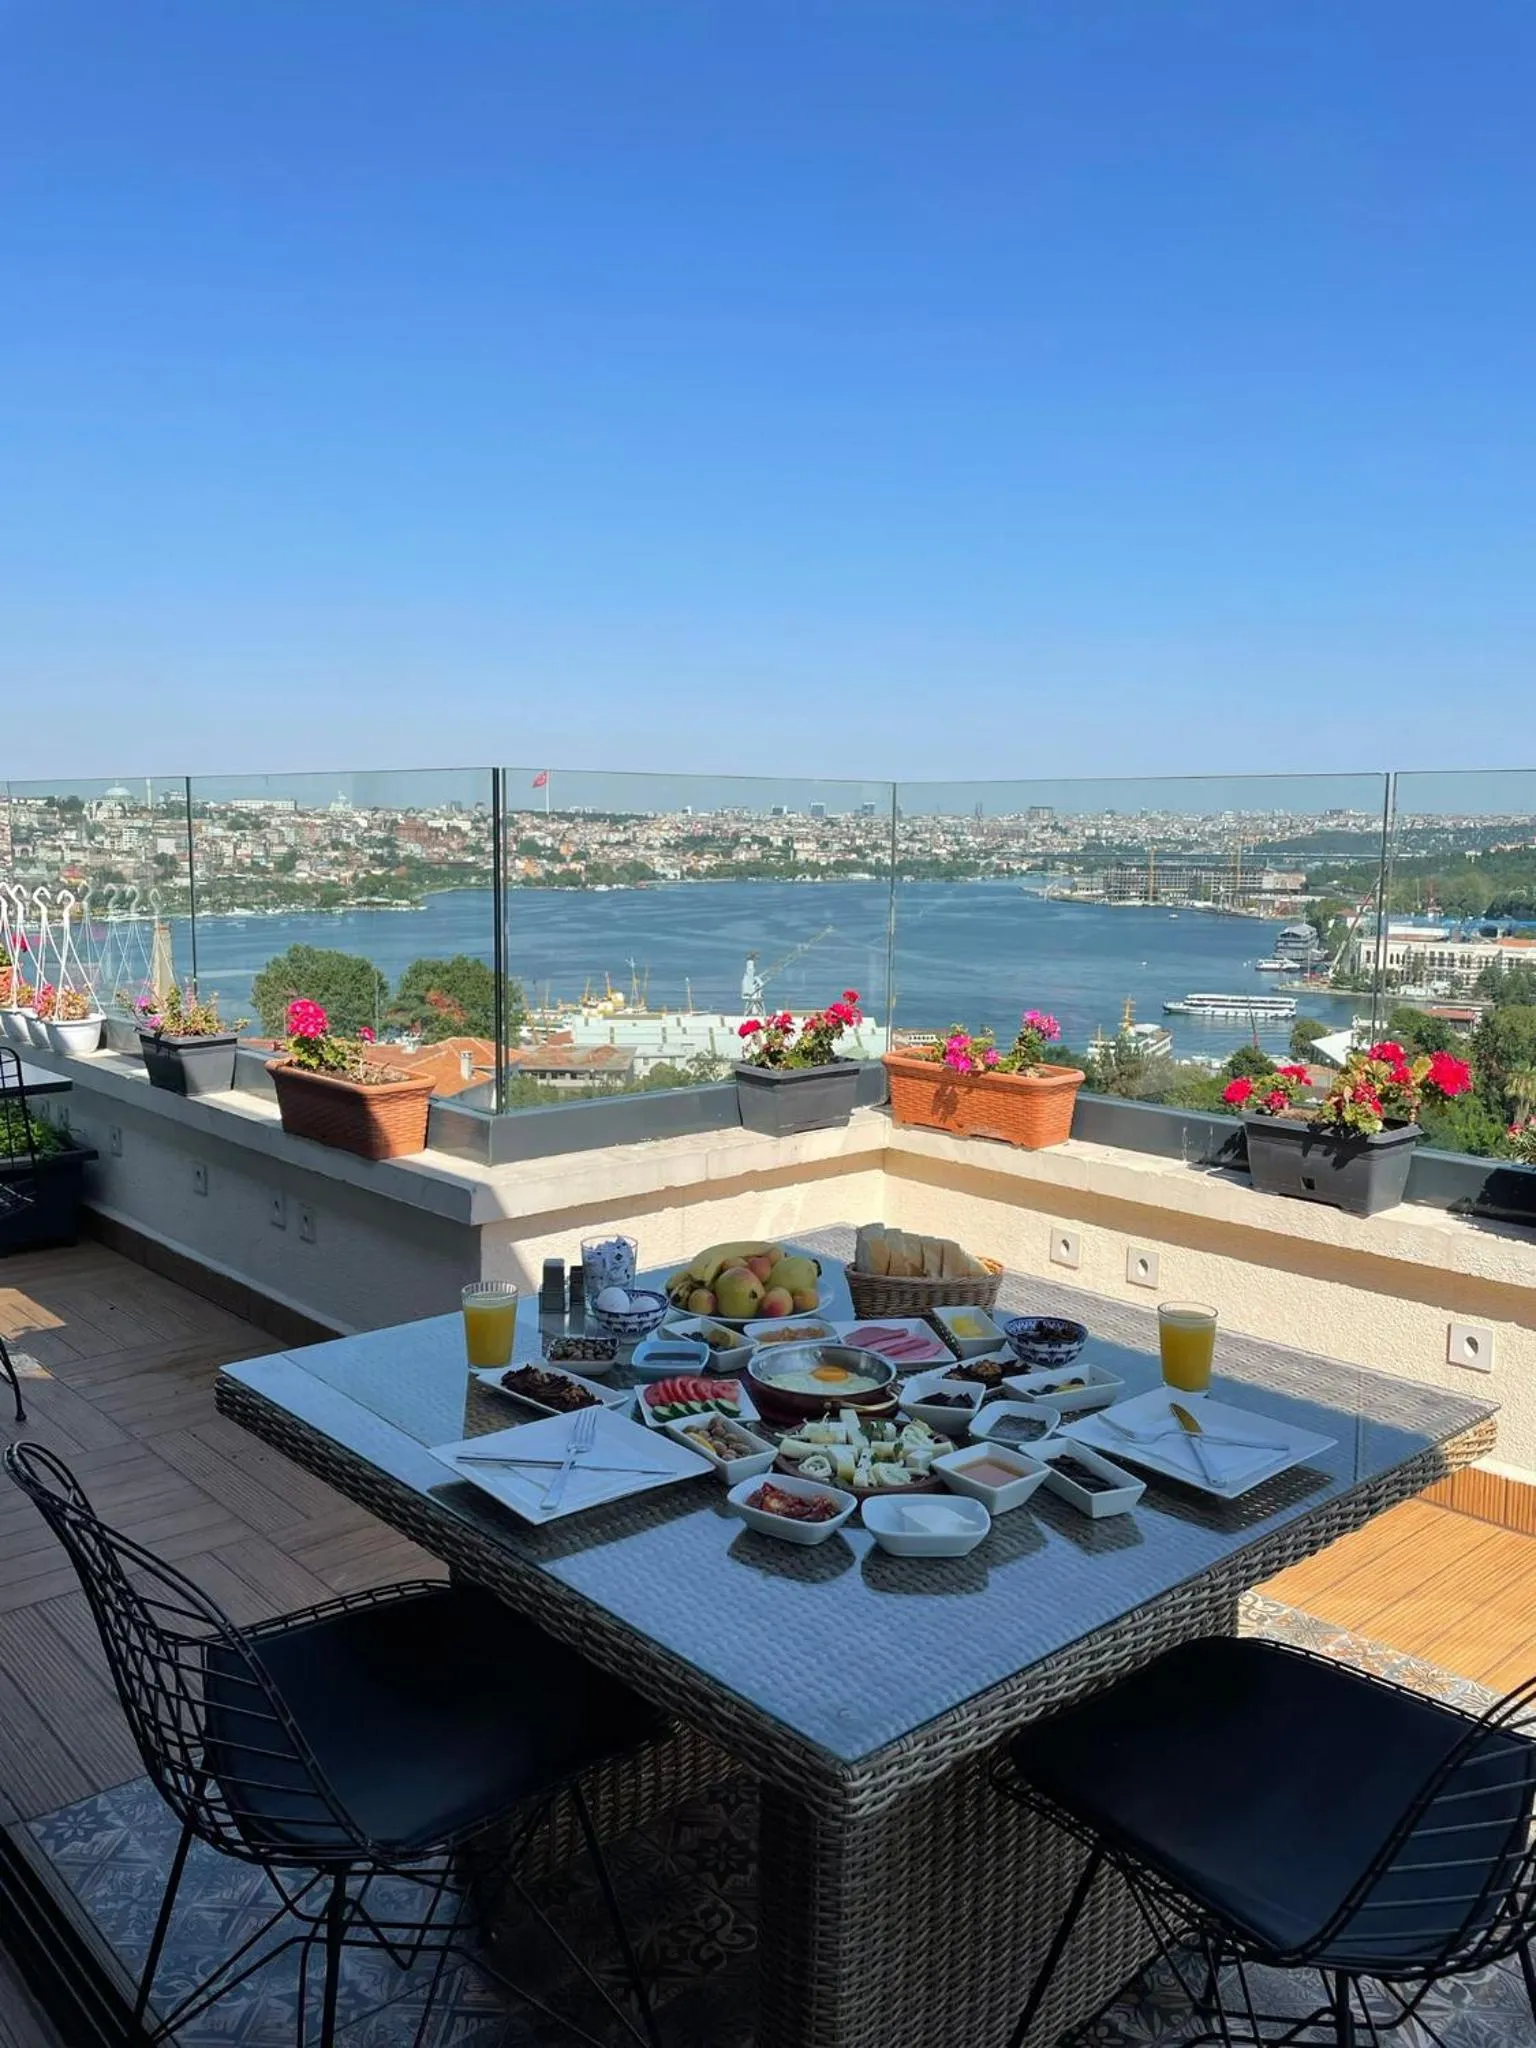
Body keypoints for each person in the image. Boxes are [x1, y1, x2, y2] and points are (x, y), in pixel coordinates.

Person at [740, 951, 766, 1015]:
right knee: (760, 1010)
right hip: (753, 993)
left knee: (751, 1010)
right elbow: (751, 973)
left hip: (752, 994)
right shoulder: (751, 975)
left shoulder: (749, 976)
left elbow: (751, 973)